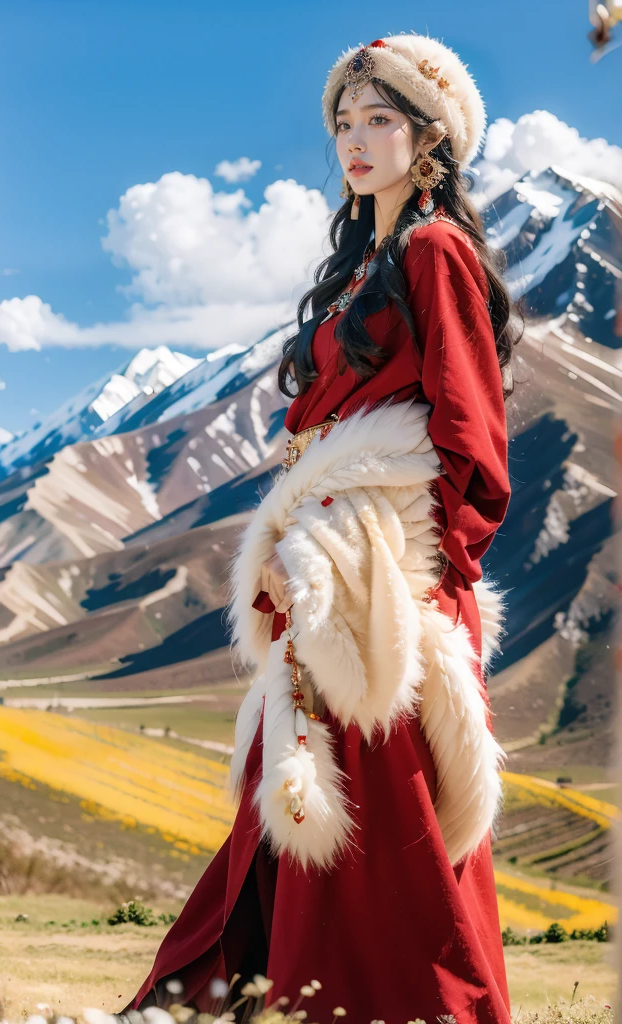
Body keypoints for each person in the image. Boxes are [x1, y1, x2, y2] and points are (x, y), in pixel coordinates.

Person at [122, 31, 523, 1024]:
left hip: (392, 578)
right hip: (333, 565)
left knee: (391, 819)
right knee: (306, 794)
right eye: (343, 122)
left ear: (429, 139)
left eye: (378, 118)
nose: (353, 139)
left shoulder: (432, 250)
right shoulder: (360, 269)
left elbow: (470, 428)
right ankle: (271, 992)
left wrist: (422, 577)